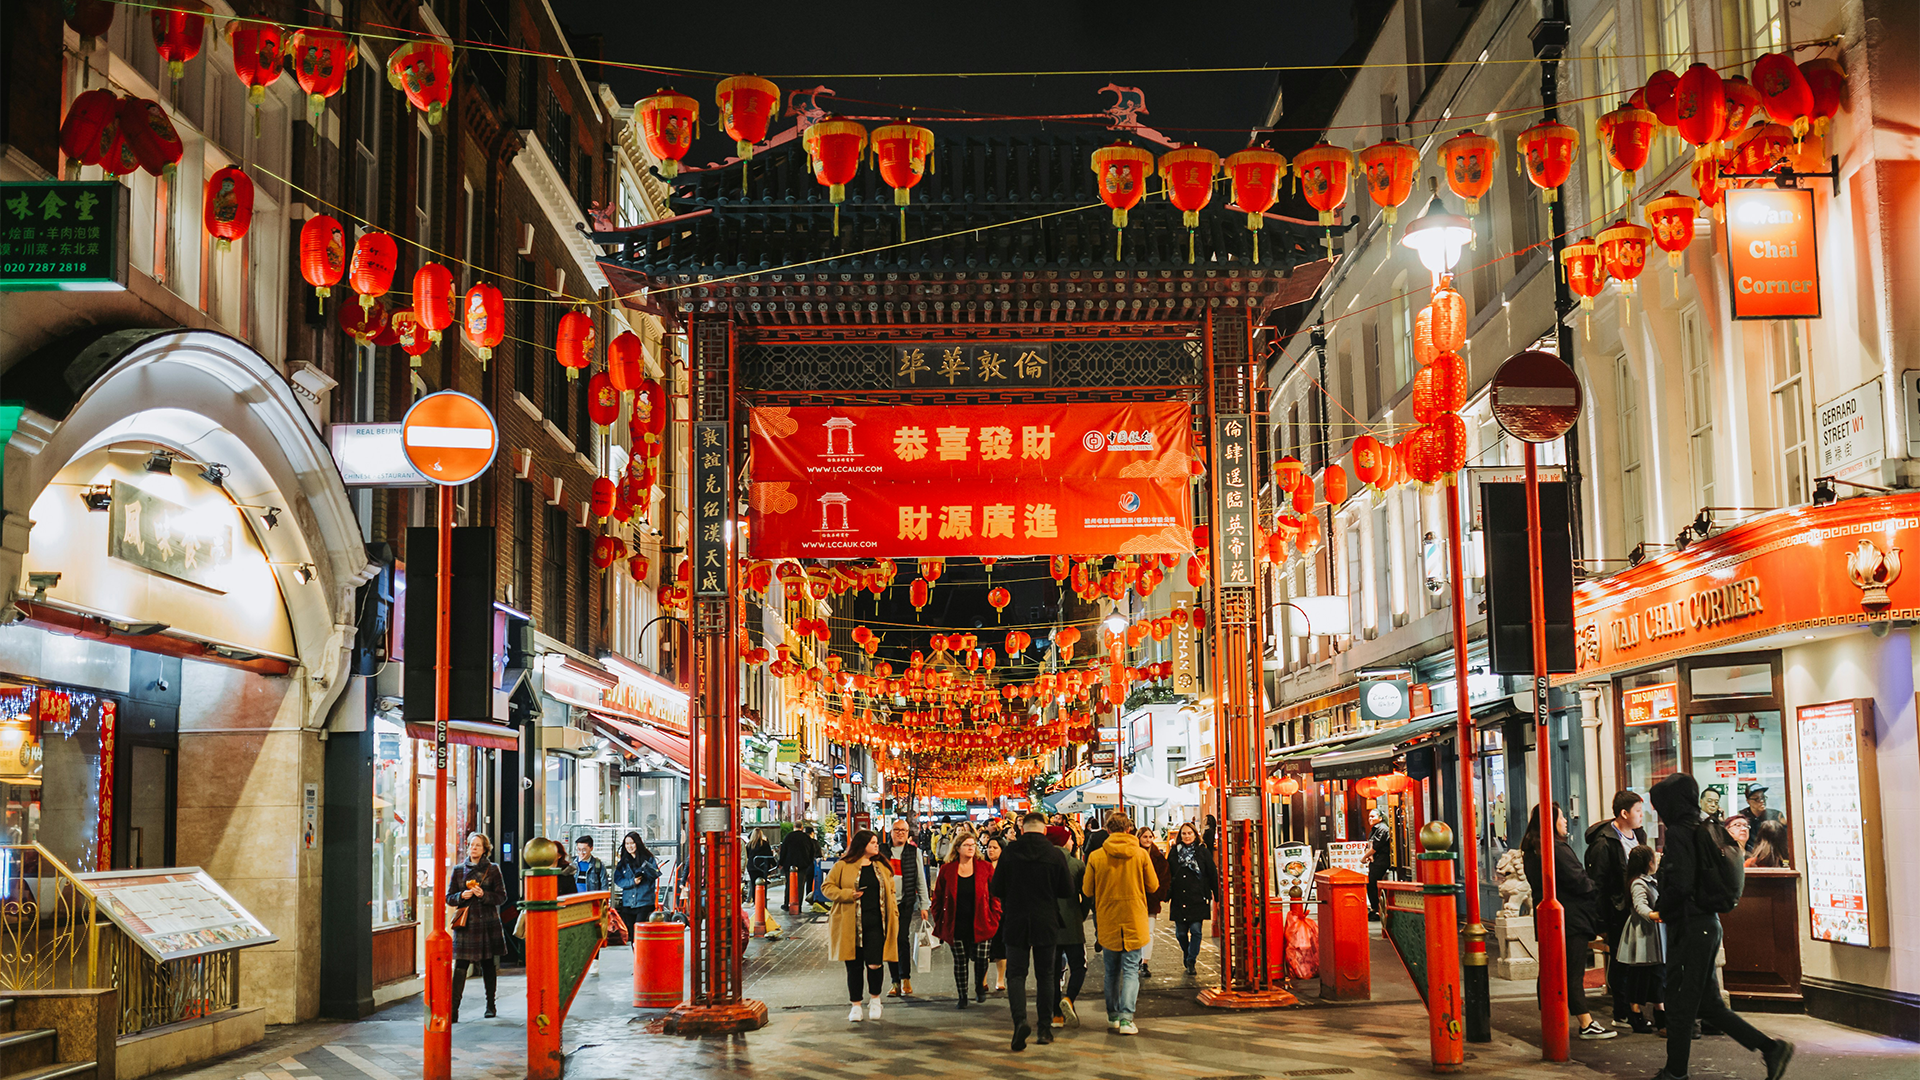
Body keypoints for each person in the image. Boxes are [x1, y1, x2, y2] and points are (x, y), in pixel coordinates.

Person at [1650, 772, 1794, 1080]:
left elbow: (1682, 881)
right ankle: (1771, 1049)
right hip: (1707, 924)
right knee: (1709, 1004)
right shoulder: (1706, 825)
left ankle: (1675, 1073)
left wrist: (1663, 908)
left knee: (1680, 1002)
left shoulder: (1679, 831)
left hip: (1690, 925)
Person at [1523, 802, 1616, 1040]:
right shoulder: (1556, 849)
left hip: (1548, 918)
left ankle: (1551, 1018)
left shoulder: (1533, 849)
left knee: (1550, 969)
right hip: (1571, 918)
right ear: (1551, 822)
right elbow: (1579, 881)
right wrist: (1594, 886)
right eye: (1561, 817)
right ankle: (1586, 1023)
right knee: (1572, 972)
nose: (1565, 821)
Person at [992, 812, 1072, 1051]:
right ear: (1044, 830)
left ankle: (1020, 1022)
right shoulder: (1054, 854)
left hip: (1016, 920)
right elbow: (1067, 890)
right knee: (1046, 975)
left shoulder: (1009, 853)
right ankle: (1045, 1029)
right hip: (1045, 920)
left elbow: (996, 888)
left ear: (1022, 829)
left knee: (1016, 974)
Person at [1082, 809, 1157, 1036]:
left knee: (1111, 972)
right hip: (1134, 918)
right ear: (1129, 829)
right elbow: (1153, 885)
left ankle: (1113, 1016)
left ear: (1106, 830)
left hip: (1108, 919)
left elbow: (1086, 890)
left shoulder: (1096, 856)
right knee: (1131, 970)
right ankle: (1127, 1019)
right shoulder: (1141, 855)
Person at [1585, 790, 1648, 1027]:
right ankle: (1621, 1011)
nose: (1642, 816)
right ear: (1624, 813)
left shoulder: (1639, 834)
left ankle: (1636, 1006)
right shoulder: (1605, 842)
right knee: (1621, 961)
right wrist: (1600, 922)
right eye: (1638, 811)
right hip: (1617, 911)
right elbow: (1598, 884)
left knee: (1637, 961)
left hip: (1638, 908)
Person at [824, 829, 897, 1023]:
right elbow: (827, 887)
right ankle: (855, 1005)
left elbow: (891, 890)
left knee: (875, 963)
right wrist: (848, 894)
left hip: (877, 922)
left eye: (876, 842)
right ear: (861, 845)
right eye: (872, 842)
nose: (876, 845)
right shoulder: (842, 865)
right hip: (850, 923)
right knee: (854, 966)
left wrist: (895, 915)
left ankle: (875, 999)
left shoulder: (881, 866)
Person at [932, 834, 999, 1007]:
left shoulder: (985, 868)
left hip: (982, 921)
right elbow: (938, 897)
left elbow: (995, 895)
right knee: (960, 961)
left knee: (982, 958)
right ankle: (962, 995)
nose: (971, 847)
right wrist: (939, 919)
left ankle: (978, 987)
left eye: (973, 845)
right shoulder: (948, 870)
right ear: (958, 848)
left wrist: (995, 916)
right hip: (956, 922)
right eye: (967, 845)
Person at [447, 832, 508, 1022]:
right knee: (460, 966)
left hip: (487, 923)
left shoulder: (493, 869)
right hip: (466, 924)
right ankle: (454, 1008)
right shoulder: (458, 870)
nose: (473, 849)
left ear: (485, 849)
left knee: (489, 965)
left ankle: (491, 1004)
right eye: (471, 845)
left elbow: (502, 897)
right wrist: (461, 896)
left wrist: (483, 895)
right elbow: (449, 898)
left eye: (478, 846)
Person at [1617, 844, 1666, 1034]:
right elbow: (1640, 906)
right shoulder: (1639, 883)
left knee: (1655, 974)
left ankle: (1656, 1012)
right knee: (1642, 976)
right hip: (1643, 935)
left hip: (1652, 933)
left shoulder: (1648, 880)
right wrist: (1656, 916)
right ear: (1648, 862)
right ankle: (1638, 1014)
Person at [1047, 825, 1090, 1028]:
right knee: (1079, 966)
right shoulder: (1076, 864)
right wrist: (1080, 914)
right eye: (1070, 838)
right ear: (1064, 841)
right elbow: (1087, 894)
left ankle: (1056, 1014)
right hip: (1072, 922)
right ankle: (1069, 998)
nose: (1072, 842)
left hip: (1048, 924)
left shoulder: (1041, 863)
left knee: (1053, 971)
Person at [882, 818, 931, 997]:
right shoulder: (882, 851)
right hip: (886, 905)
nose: (900, 833)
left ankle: (905, 979)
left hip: (906, 902)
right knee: (891, 940)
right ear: (891, 832)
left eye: (903, 830)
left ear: (908, 833)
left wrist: (924, 904)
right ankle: (895, 981)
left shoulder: (913, 852)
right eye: (897, 830)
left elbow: (920, 879)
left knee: (902, 939)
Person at [1168, 821, 1218, 977]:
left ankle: (1191, 960)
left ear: (1195, 834)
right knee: (1180, 934)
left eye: (1189, 833)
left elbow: (1211, 872)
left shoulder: (1202, 852)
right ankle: (1187, 952)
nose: (1187, 836)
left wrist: (1216, 894)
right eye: (1184, 834)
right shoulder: (1174, 852)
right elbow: (1167, 873)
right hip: (1179, 896)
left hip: (1198, 895)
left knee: (1196, 930)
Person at [1139, 827, 1171, 980]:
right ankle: (1138, 959)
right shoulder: (1134, 855)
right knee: (1138, 932)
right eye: (1144, 837)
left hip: (1151, 900)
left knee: (1149, 932)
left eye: (1150, 837)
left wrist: (1159, 894)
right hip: (1137, 900)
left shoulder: (1158, 857)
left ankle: (1145, 962)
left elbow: (1165, 877)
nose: (1147, 840)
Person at [612, 831, 660, 931]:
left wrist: (645, 868)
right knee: (631, 933)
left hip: (644, 902)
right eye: (627, 844)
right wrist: (632, 882)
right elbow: (618, 879)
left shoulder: (648, 859)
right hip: (628, 903)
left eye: (632, 843)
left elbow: (655, 874)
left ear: (637, 843)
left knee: (640, 932)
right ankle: (635, 947)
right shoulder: (623, 862)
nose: (630, 846)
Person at [983, 834, 1008, 992]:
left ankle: (1000, 979)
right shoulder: (981, 866)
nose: (990, 850)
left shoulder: (1006, 868)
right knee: (983, 949)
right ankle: (982, 980)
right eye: (989, 847)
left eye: (994, 848)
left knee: (1001, 947)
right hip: (984, 912)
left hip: (1003, 911)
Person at [1733, 786, 1783, 853]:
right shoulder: (1742, 816)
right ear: (1748, 801)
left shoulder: (1776, 815)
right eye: (1756, 799)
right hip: (1749, 855)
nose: (1762, 801)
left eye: (1763, 797)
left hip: (1773, 854)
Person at [779, 823, 816, 912]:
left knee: (789, 884)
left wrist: (781, 863)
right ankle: (797, 905)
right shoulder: (806, 838)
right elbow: (812, 851)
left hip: (789, 864)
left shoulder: (788, 837)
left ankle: (787, 903)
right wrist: (809, 862)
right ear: (802, 827)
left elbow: (783, 850)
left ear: (794, 827)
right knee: (800, 885)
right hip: (802, 865)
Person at [1365, 808, 1392, 919]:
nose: (1370, 819)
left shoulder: (1382, 829)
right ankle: (1374, 908)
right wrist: (1368, 854)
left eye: (1373, 816)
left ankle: (1376, 909)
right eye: (1369, 816)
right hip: (1375, 860)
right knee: (1371, 884)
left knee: (1372, 883)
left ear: (1380, 818)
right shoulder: (1375, 829)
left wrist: (1364, 857)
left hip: (1381, 861)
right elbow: (1369, 845)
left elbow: (1375, 846)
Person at [746, 829, 779, 896]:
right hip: (762, 867)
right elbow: (769, 856)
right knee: (763, 884)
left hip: (752, 867)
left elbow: (748, 856)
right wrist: (775, 864)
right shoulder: (764, 844)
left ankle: (755, 901)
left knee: (753, 884)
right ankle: (762, 899)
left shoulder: (749, 845)